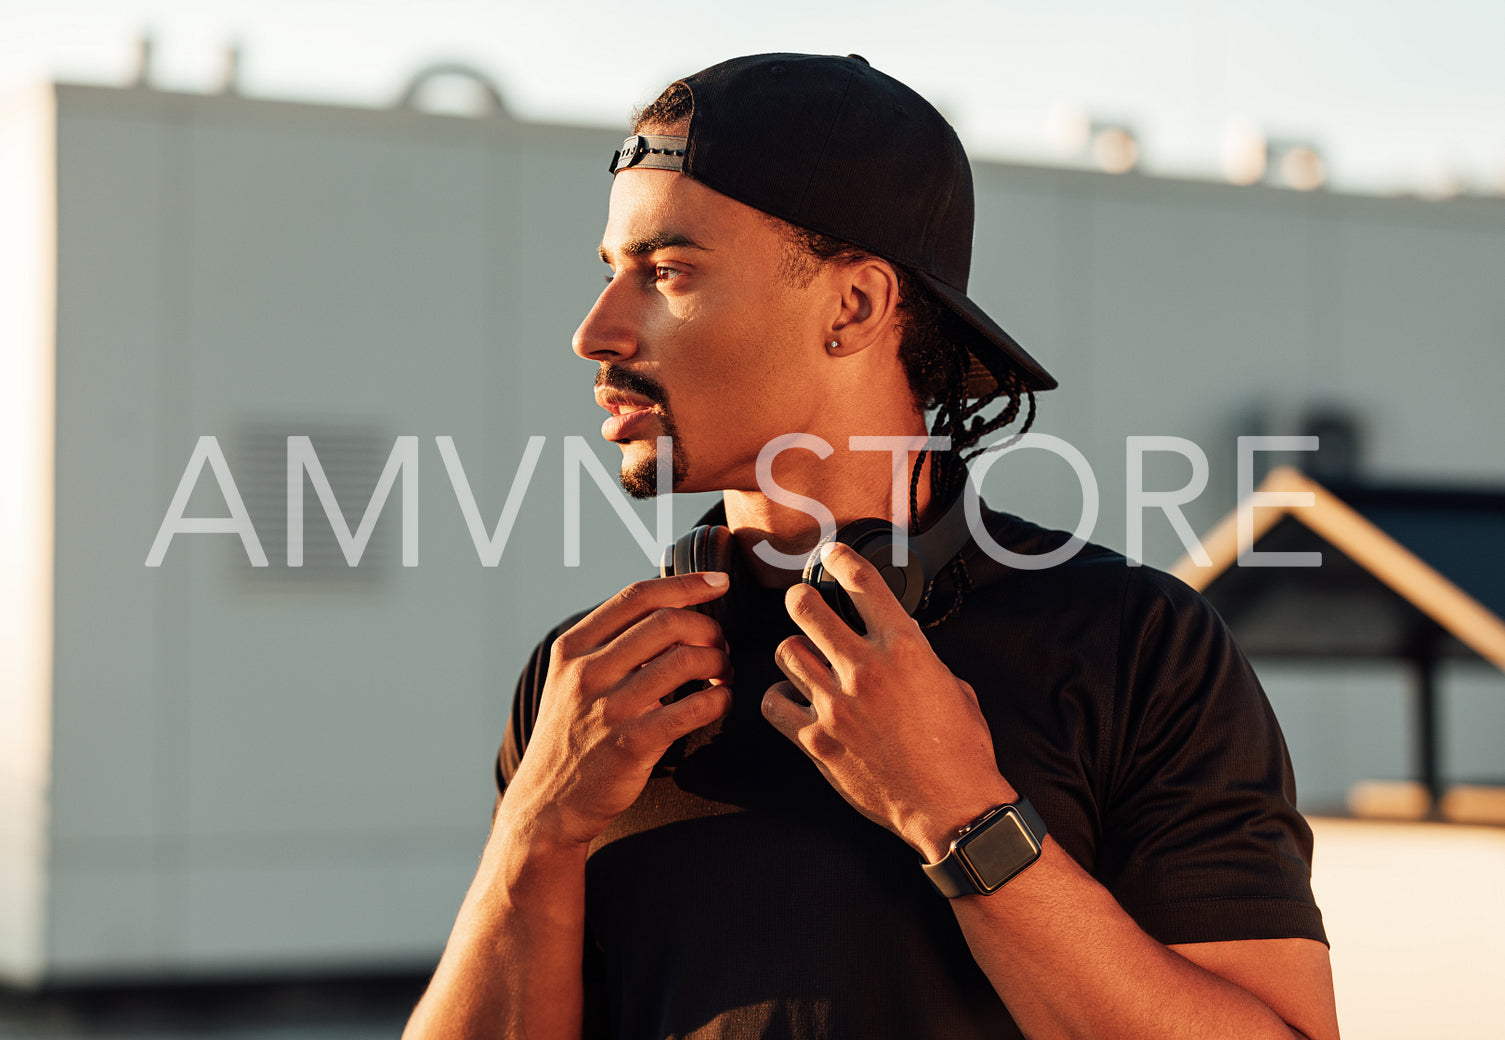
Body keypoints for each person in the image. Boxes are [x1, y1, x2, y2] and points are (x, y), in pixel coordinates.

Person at [405, 53, 1339, 1040]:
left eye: (666, 272)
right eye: (609, 274)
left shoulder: (1134, 644)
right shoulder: (588, 682)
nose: (595, 331)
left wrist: (962, 818)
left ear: (851, 307)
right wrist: (533, 836)